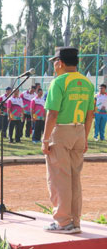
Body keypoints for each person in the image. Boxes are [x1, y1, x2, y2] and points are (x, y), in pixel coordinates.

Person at [42, 47, 94, 234]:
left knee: (59, 178)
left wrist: (45, 139)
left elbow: (52, 114)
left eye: (55, 61)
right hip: (79, 130)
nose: (54, 65)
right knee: (74, 178)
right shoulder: (87, 83)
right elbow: (90, 115)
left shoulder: (59, 82)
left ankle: (63, 222)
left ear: (61, 63)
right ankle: (75, 221)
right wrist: (85, 137)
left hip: (61, 132)